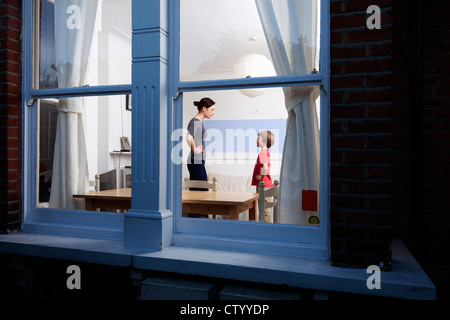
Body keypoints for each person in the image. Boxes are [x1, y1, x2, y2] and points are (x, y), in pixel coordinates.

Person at [186, 97, 216, 190]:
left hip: (198, 160)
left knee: (202, 191)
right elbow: (188, 137)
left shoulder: (199, 122)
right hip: (196, 161)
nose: (213, 112)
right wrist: (195, 149)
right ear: (204, 108)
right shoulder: (195, 121)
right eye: (212, 110)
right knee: (201, 191)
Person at [251, 130, 275, 223]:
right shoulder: (266, 152)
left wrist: (261, 179)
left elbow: (265, 167)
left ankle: (265, 229)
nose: (257, 140)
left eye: (259, 138)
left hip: (263, 186)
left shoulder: (262, 153)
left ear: (263, 142)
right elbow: (268, 165)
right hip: (266, 185)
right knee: (266, 210)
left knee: (264, 210)